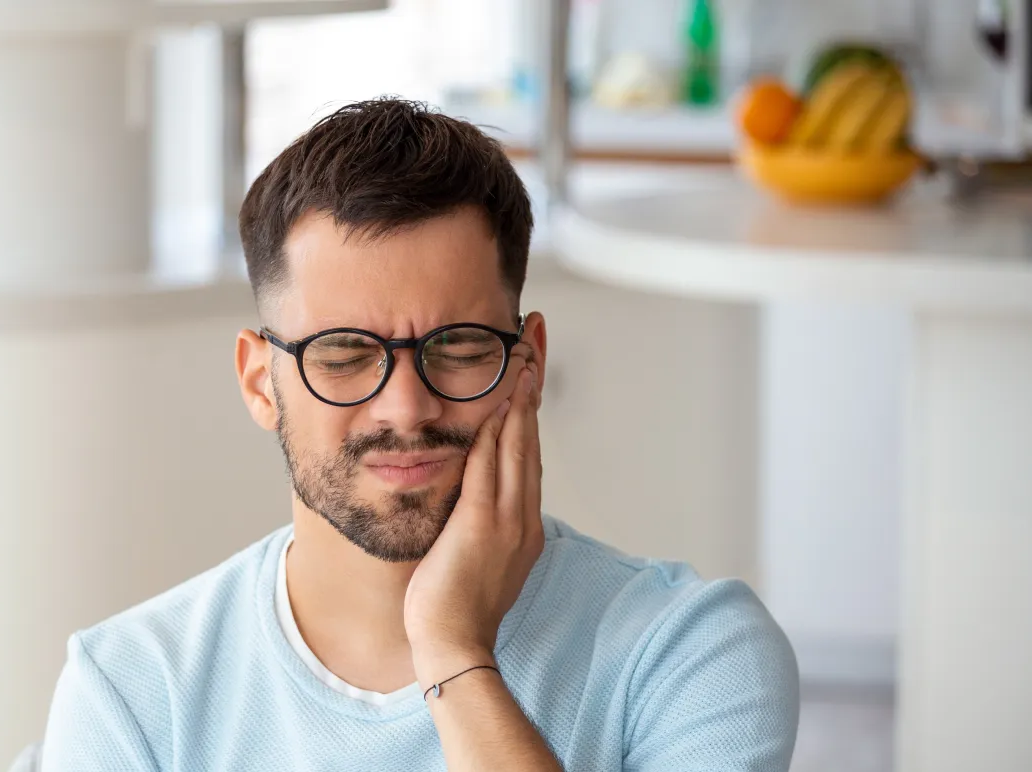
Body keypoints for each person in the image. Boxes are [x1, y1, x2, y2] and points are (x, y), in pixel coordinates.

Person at [41, 97, 799, 771]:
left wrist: (451, 652)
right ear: (257, 383)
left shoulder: (691, 652)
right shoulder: (134, 691)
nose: (405, 409)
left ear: (528, 364)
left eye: (460, 349)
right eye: (343, 355)